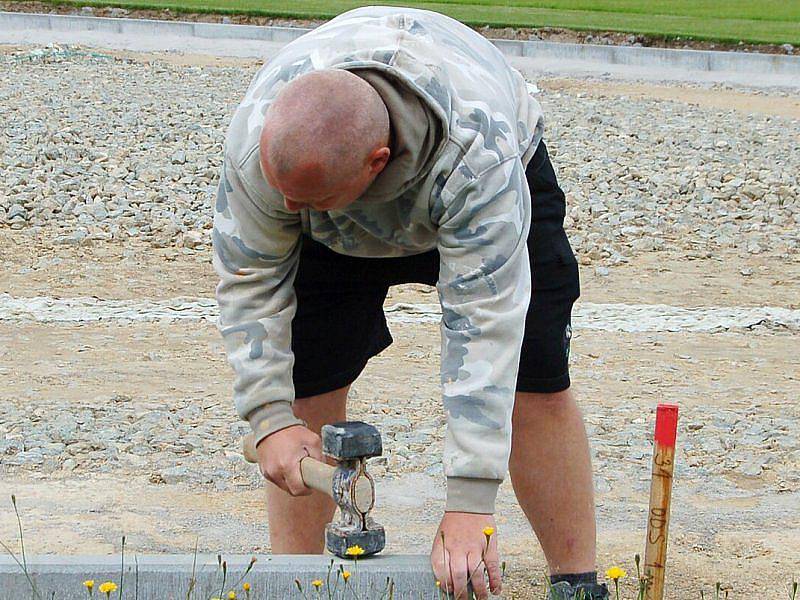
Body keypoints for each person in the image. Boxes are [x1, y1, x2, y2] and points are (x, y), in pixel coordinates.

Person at [213, 7, 607, 599]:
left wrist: (471, 505)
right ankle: (295, 587)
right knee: (307, 383)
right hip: (335, 209)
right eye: (281, 195)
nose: (285, 208)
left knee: (536, 379)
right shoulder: (265, 148)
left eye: (304, 199)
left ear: (376, 164)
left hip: (468, 171)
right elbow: (251, 278)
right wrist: (270, 418)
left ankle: (577, 584)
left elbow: (485, 326)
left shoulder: (479, 156)